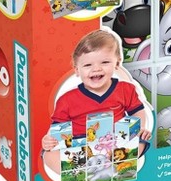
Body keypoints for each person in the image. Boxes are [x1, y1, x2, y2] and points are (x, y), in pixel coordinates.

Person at [42, 29, 152, 173]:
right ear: (77, 70)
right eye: (87, 65)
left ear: (117, 63)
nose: (96, 69)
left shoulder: (126, 89)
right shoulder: (66, 99)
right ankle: (84, 170)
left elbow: (137, 111)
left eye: (105, 62)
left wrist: (140, 128)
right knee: (49, 156)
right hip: (79, 145)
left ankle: (111, 166)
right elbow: (57, 128)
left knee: (141, 143)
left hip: (115, 141)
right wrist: (48, 140)